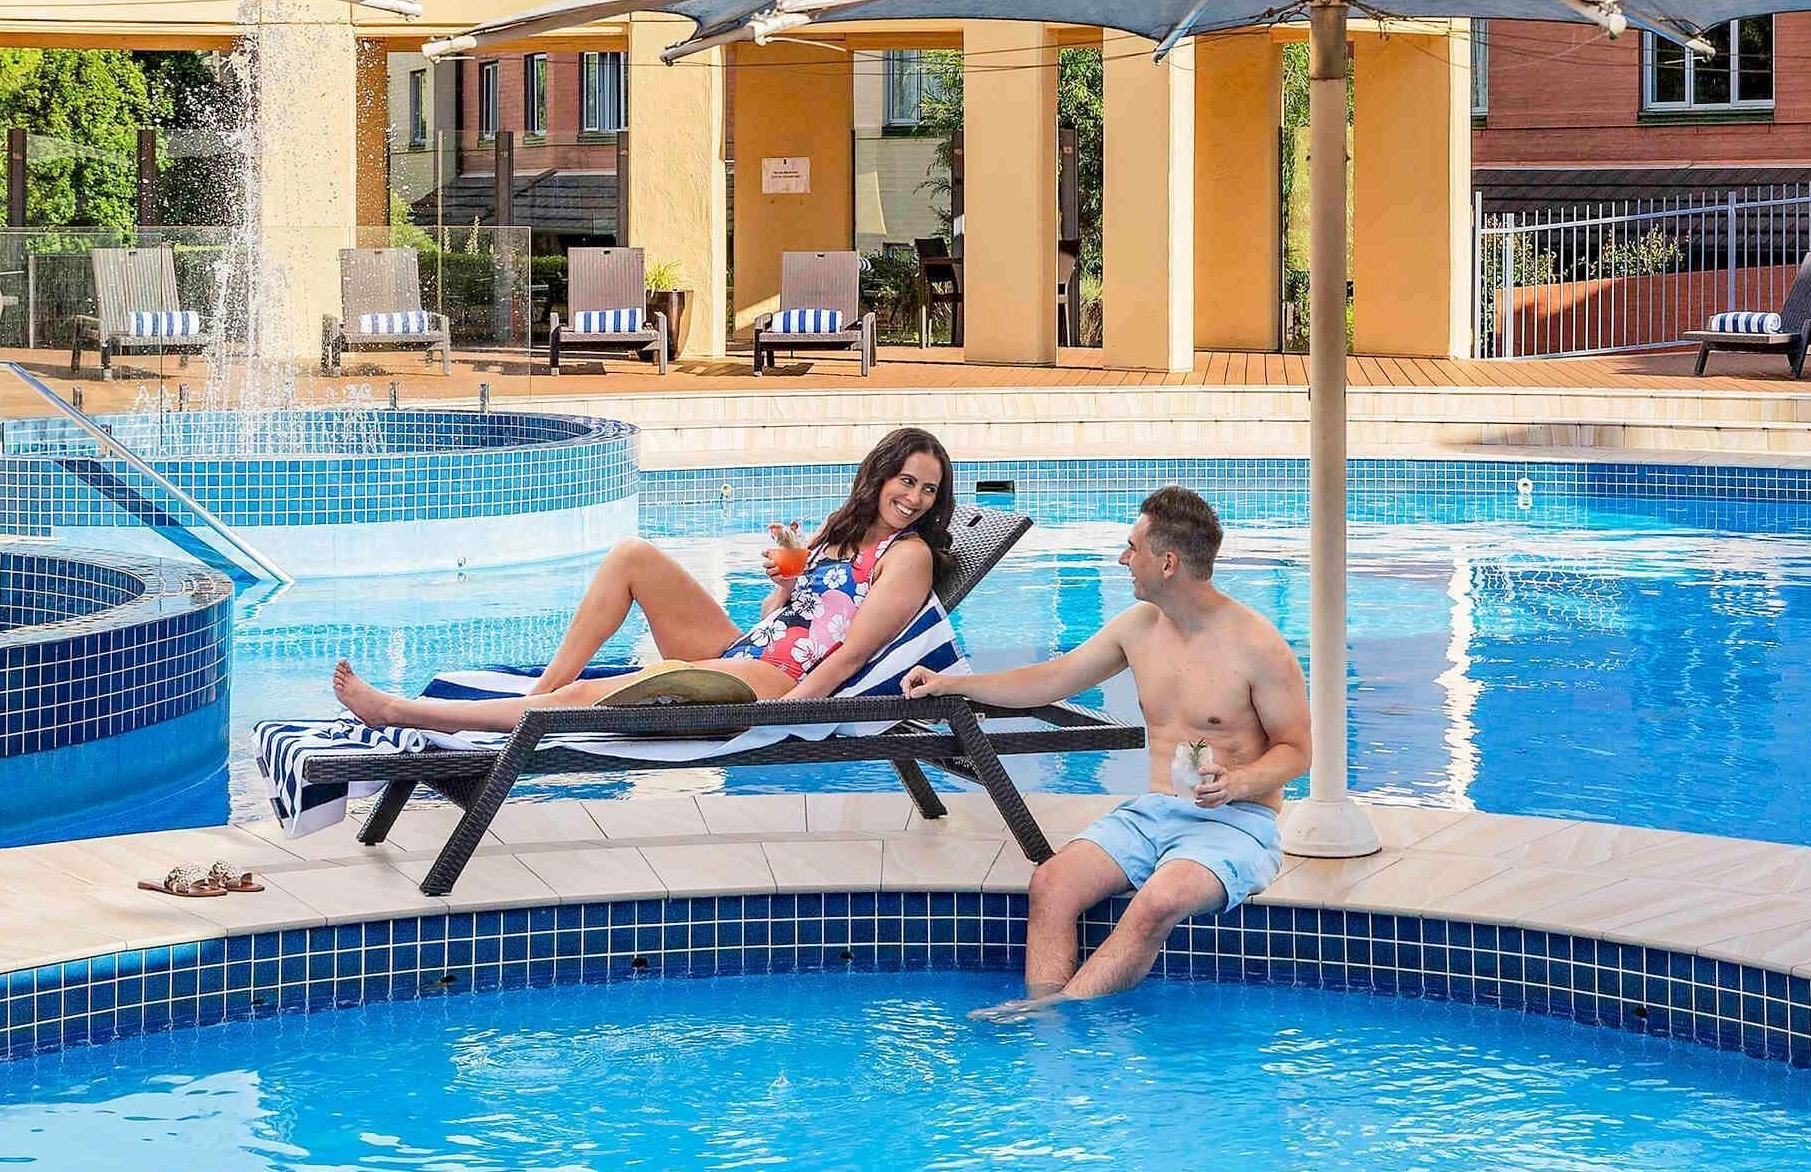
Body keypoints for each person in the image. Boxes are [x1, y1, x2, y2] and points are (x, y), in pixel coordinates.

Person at [904, 484, 1308, 1015]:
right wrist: (952, 685)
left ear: (1167, 562)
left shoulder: (1258, 647)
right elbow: (1051, 679)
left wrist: (1237, 783)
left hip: (1236, 823)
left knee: (1158, 900)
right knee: (1052, 883)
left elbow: (1297, 751)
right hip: (1153, 815)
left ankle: (1052, 1013)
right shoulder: (1139, 627)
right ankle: (1048, 1038)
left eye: (1132, 548)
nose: (1122, 559)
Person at [330, 427, 953, 731]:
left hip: (777, 678)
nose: (915, 497)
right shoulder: (842, 528)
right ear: (880, 475)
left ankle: (400, 712)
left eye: (929, 489)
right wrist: (791, 577)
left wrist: (779, 717)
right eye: (907, 481)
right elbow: (778, 615)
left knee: (595, 701)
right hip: (750, 651)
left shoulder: (908, 556)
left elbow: (847, 657)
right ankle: (544, 689)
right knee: (632, 554)